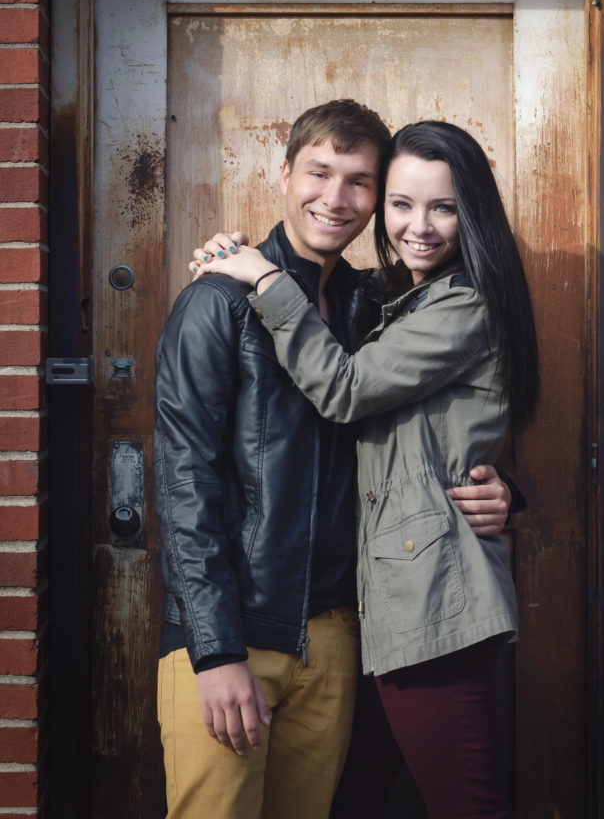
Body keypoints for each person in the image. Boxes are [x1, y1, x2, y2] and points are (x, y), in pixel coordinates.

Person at [156, 100, 514, 819]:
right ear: (285, 173)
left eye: (360, 182)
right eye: (319, 173)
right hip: (234, 633)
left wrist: (504, 489)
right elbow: (184, 482)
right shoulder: (218, 302)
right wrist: (214, 651)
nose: (336, 198)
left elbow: (432, 428)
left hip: (339, 636)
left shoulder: (372, 306)